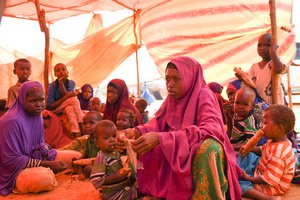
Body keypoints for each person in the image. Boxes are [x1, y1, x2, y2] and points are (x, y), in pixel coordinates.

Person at [116, 56, 242, 199]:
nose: (170, 84)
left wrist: (162, 139)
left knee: (209, 148)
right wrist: (136, 131)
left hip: (195, 147)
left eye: (176, 79)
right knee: (144, 143)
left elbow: (211, 130)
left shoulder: (204, 94)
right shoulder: (172, 98)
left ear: (189, 77)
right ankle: (160, 190)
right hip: (181, 145)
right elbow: (157, 123)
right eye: (167, 79)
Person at [0, 81, 67, 196]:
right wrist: (47, 164)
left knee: (73, 157)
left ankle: (44, 170)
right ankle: (40, 173)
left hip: (34, 159)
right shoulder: (11, 121)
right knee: (44, 180)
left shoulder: (37, 116)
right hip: (12, 170)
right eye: (33, 101)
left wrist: (47, 153)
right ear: (22, 99)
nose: (39, 105)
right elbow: (11, 161)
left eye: (41, 100)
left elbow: (40, 143)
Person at [240, 104, 296, 199]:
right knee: (250, 155)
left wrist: (249, 179)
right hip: (264, 169)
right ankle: (242, 170)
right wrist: (250, 148)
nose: (261, 126)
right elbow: (263, 149)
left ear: (279, 128)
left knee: (240, 186)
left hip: (272, 185)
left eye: (265, 123)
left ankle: (267, 198)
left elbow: (269, 179)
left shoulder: (279, 154)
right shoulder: (274, 140)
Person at [90, 120, 138, 199]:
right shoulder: (101, 158)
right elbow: (96, 180)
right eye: (106, 138)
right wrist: (116, 176)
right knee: (138, 191)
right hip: (113, 194)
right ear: (97, 143)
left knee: (140, 182)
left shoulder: (115, 152)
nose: (112, 140)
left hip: (122, 186)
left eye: (114, 136)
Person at [248, 33, 287, 105]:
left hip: (276, 104)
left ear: (275, 47)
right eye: (259, 45)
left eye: (267, 45)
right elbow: (249, 83)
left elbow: (278, 70)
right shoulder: (254, 67)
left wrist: (273, 52)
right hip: (260, 105)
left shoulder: (277, 62)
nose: (262, 48)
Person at [46, 63, 83, 138]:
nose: (61, 72)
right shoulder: (52, 86)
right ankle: (82, 123)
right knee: (73, 99)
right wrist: (60, 83)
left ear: (67, 72)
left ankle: (77, 134)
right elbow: (50, 106)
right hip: (55, 109)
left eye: (63, 69)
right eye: (58, 70)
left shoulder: (71, 83)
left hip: (65, 106)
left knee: (70, 109)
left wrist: (61, 83)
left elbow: (65, 95)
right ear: (55, 74)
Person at [71, 111, 103, 179]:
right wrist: (79, 161)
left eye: (91, 123)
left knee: (88, 169)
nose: (87, 126)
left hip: (100, 164)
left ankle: (82, 175)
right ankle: (80, 173)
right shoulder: (88, 140)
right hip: (89, 162)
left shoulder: (102, 140)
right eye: (84, 123)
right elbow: (85, 154)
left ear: (100, 124)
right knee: (74, 161)